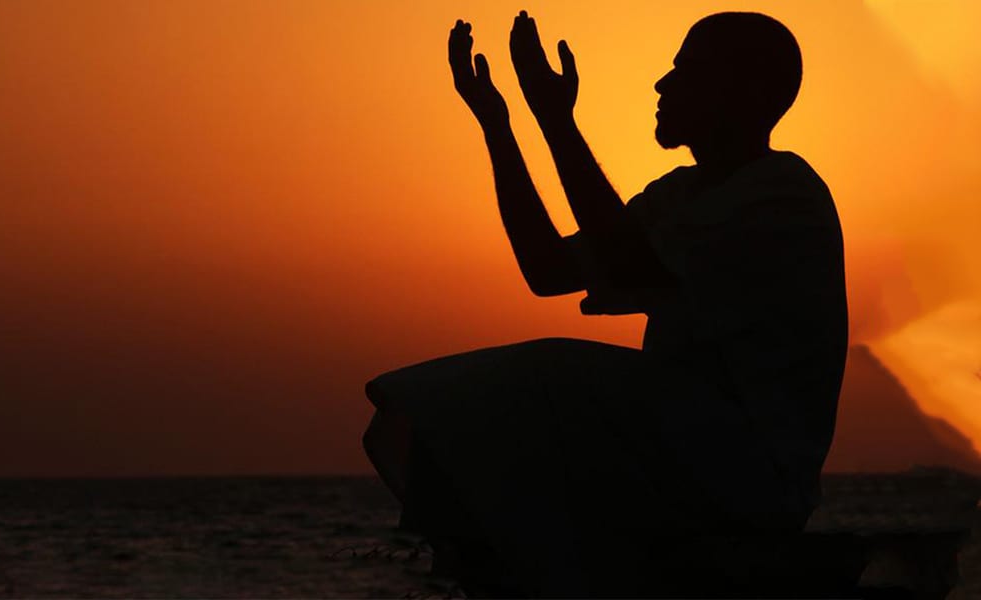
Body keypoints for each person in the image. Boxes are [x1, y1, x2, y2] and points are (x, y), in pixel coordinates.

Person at [362, 10, 848, 597]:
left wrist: (556, 122)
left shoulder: (782, 193)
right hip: (682, 449)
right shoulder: (678, 193)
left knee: (541, 378)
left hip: (750, 474)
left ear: (748, 91)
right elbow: (548, 270)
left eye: (688, 71)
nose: (663, 85)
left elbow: (628, 265)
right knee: (481, 405)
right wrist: (498, 124)